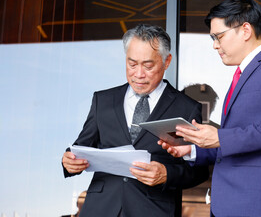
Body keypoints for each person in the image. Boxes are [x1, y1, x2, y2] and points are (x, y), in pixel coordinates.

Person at [159, 0, 261, 217]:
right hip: (227, 207)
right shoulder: (240, 76)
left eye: (218, 36)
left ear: (246, 30)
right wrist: (194, 149)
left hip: (260, 207)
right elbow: (239, 143)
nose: (215, 45)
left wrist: (220, 137)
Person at [62, 24, 209, 217]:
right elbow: (81, 147)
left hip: (154, 210)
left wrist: (166, 174)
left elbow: (198, 171)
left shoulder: (186, 108)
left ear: (167, 62)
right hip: (100, 208)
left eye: (148, 66)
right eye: (132, 64)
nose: (138, 74)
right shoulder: (103, 100)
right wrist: (69, 161)